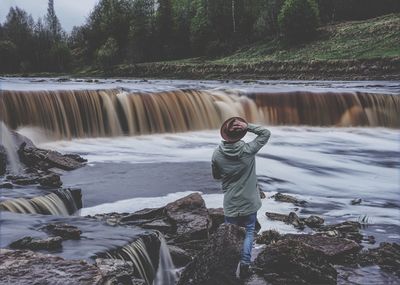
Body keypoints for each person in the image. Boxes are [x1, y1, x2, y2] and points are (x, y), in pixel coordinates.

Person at [211, 116, 271, 278]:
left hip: (231, 202)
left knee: (229, 233)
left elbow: (216, 176)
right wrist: (248, 126)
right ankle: (245, 263)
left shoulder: (217, 154)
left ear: (225, 134)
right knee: (249, 231)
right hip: (250, 201)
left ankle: (226, 265)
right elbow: (265, 133)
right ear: (241, 134)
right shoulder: (248, 150)